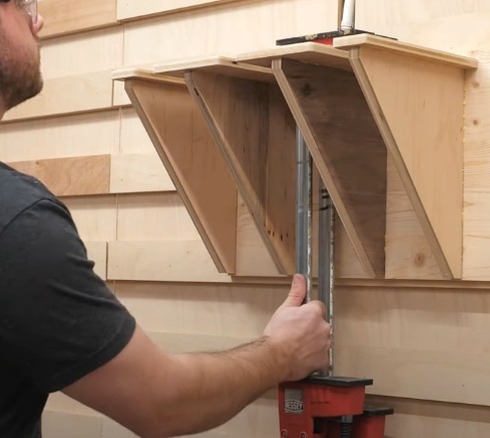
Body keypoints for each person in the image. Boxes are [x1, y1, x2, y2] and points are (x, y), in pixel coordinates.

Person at [0, 1, 332, 437]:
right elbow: (162, 403)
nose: (37, 19)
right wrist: (281, 353)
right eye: (20, 3)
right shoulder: (17, 225)